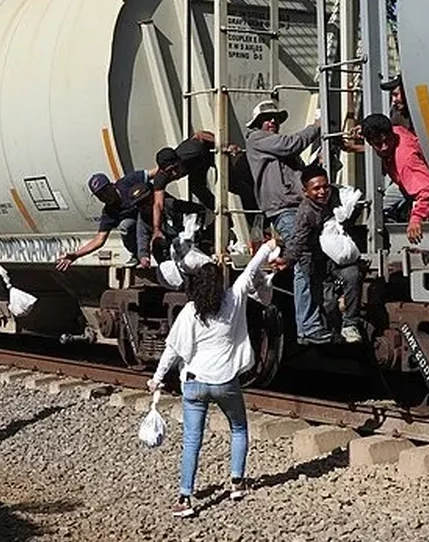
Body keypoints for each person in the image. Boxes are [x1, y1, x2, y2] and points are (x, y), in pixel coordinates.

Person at [148, 238, 278, 518]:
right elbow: (251, 269)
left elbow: (172, 349)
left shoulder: (190, 312)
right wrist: (268, 246)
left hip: (193, 383)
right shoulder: (233, 299)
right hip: (224, 382)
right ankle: (236, 483)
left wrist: (156, 379)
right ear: (219, 285)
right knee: (239, 428)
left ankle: (185, 498)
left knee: (192, 439)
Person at [244, 99, 325, 344]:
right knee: (301, 259)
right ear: (257, 123)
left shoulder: (284, 154)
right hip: (284, 210)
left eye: (276, 119)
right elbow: (291, 143)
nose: (273, 123)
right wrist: (317, 127)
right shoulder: (256, 139)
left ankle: (317, 321)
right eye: (267, 119)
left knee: (316, 259)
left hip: (299, 208)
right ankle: (308, 327)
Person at [277, 164, 363, 344]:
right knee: (328, 301)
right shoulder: (305, 212)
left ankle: (350, 324)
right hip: (316, 262)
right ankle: (333, 332)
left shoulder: (337, 196)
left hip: (338, 256)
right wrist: (288, 259)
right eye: (316, 188)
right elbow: (298, 240)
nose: (323, 192)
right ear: (306, 191)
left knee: (353, 275)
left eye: (325, 186)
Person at [361, 113, 429, 244]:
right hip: (406, 185)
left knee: (381, 211)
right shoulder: (396, 131)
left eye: (386, 141)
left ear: (390, 133)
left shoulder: (405, 159)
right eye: (378, 144)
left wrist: (416, 219)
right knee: (380, 209)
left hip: (423, 187)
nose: (384, 147)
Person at [56, 171, 153, 270]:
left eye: (105, 191)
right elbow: (99, 240)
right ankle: (137, 253)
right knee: (125, 226)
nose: (104, 197)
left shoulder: (127, 182)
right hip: (142, 228)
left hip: (155, 213)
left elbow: (157, 172)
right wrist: (75, 255)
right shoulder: (109, 212)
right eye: (100, 196)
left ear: (112, 185)